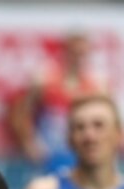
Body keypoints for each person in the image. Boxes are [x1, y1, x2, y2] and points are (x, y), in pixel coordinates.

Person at [8, 31, 105, 172]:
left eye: (82, 54)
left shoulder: (96, 86)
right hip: (48, 154)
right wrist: (28, 143)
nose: (78, 58)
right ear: (65, 51)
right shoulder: (44, 80)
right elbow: (20, 112)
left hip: (79, 154)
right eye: (74, 53)